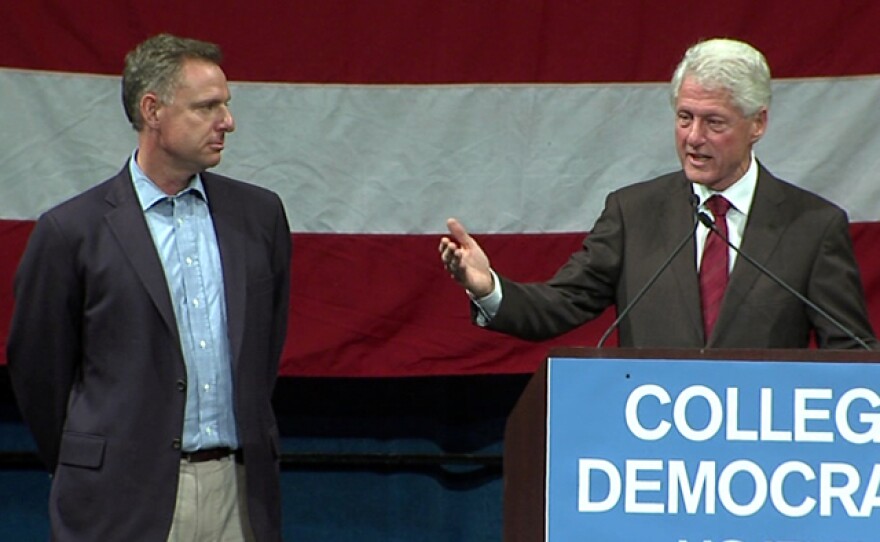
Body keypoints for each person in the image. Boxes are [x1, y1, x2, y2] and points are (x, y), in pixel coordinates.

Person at [7, 34, 291, 541]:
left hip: (239, 495)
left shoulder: (260, 216)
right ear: (152, 110)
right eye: (207, 107)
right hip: (118, 500)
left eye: (225, 105)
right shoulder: (72, 231)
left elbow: (264, 352)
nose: (227, 122)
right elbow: (38, 371)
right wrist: (90, 459)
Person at [439, 37, 877, 350]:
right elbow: (561, 304)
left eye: (714, 122)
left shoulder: (813, 226)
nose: (693, 137)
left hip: (762, 455)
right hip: (652, 452)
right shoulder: (634, 213)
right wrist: (488, 287)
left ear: (757, 124)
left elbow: (853, 354)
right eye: (685, 117)